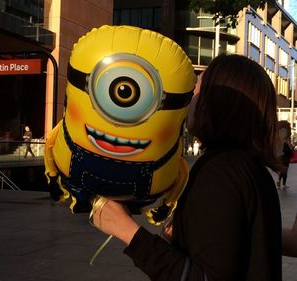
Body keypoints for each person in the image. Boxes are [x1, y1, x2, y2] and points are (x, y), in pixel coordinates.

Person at [92, 54, 282, 280]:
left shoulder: (220, 172)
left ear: (217, 103)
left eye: (197, 89)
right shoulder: (249, 168)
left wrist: (126, 230)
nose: (190, 97)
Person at [276, 120, 293, 189]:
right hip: (286, 157)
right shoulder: (287, 139)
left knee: (282, 169)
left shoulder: (279, 139)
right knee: (285, 170)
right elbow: (291, 148)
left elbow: (278, 150)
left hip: (281, 156)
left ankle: (280, 182)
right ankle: (283, 184)